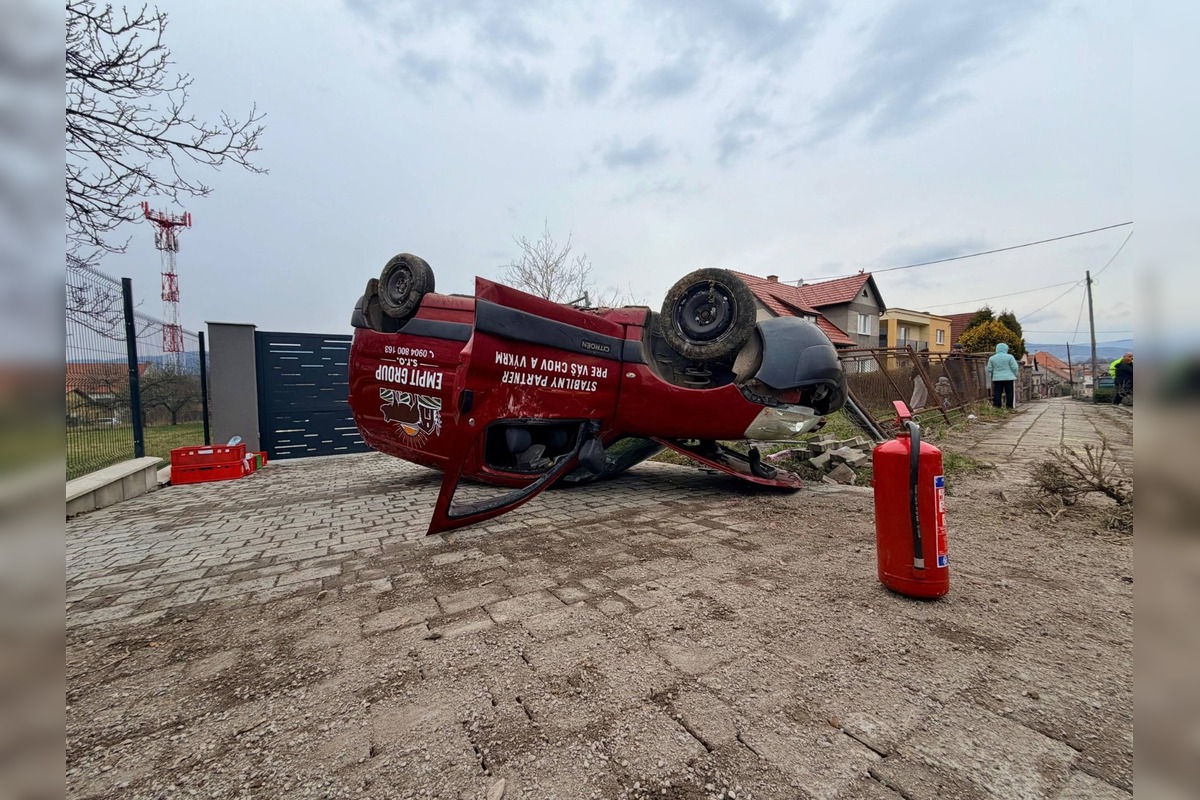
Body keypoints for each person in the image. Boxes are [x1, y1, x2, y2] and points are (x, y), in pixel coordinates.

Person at [987, 342, 1020, 409]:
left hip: (997, 378)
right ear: (1006, 349)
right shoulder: (1010, 357)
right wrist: (1014, 374)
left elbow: (989, 369)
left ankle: (997, 406)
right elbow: (1015, 367)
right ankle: (1009, 406)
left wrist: (995, 373)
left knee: (997, 392)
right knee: (1009, 393)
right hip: (1009, 378)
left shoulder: (992, 358)